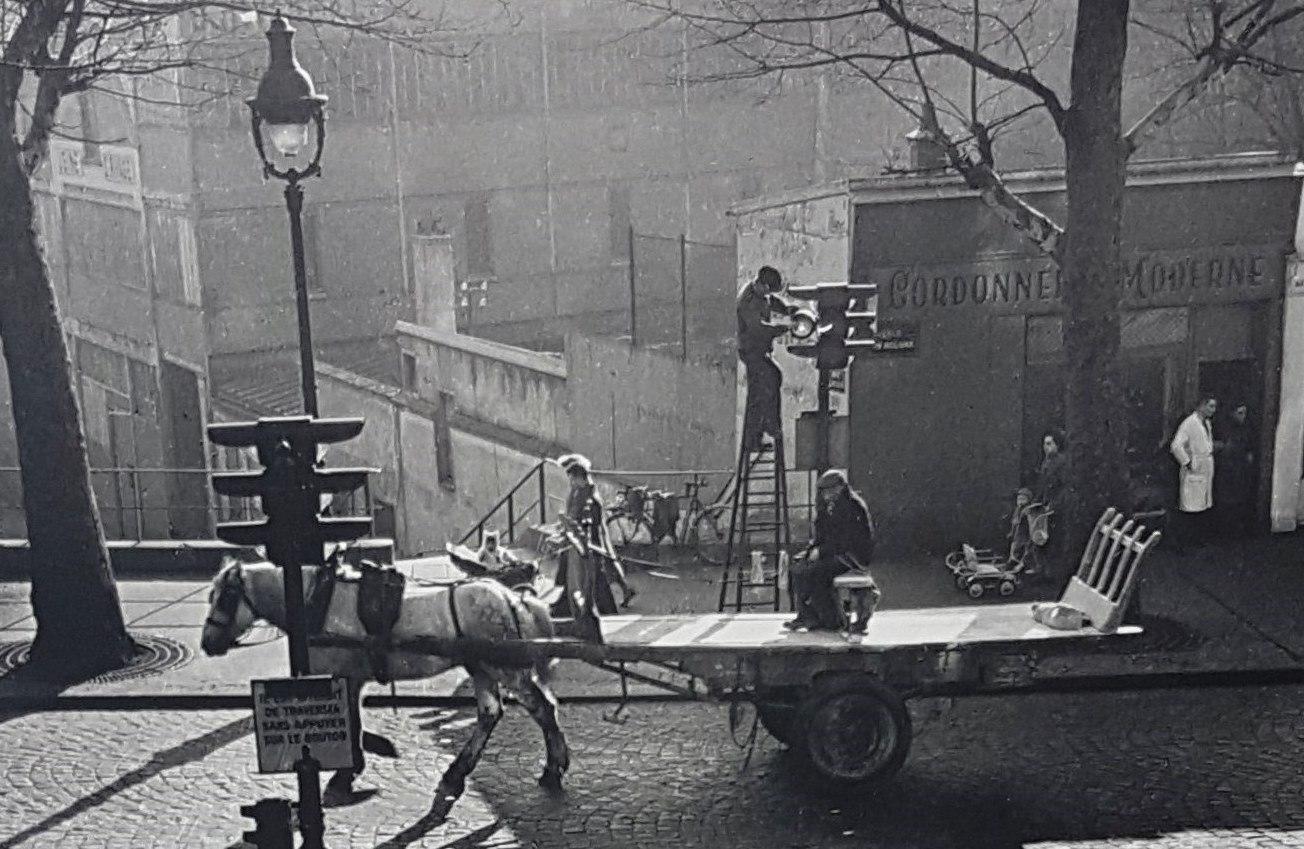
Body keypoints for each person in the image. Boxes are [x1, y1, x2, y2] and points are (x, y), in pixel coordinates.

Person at [786, 469, 876, 631]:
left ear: (841, 487)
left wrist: (821, 552)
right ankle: (806, 615)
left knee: (818, 571)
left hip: (852, 555)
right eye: (824, 490)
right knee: (797, 566)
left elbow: (847, 541)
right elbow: (821, 535)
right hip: (833, 551)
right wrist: (811, 550)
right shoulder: (826, 506)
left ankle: (832, 619)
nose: (826, 494)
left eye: (830, 490)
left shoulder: (853, 506)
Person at [549, 454, 634, 624]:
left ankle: (609, 610)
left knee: (597, 576)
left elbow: (587, 520)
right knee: (573, 571)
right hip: (579, 538)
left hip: (590, 539)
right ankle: (565, 604)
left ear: (580, 476)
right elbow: (571, 514)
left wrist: (570, 530)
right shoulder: (578, 491)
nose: (571, 482)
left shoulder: (589, 495)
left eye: (573, 478)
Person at [737, 266, 798, 451]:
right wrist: (781, 329)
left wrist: (788, 310)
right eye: (770, 289)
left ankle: (758, 434)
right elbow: (759, 329)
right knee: (771, 377)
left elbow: (773, 301)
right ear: (762, 285)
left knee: (764, 387)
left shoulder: (761, 293)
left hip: (759, 350)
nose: (770, 294)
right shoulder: (748, 302)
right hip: (751, 350)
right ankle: (770, 425)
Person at [1170, 396, 1218, 551]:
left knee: (1202, 507)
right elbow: (1176, 446)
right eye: (1210, 406)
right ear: (1201, 405)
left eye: (1214, 407)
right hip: (1194, 470)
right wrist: (1188, 462)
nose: (1213, 410)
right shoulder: (1190, 423)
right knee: (1189, 508)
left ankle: (1197, 541)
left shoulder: (1207, 424)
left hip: (1205, 468)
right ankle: (1184, 544)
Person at [1216, 402, 1255, 538]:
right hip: (1227, 469)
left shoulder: (1246, 430)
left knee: (1240, 497)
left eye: (1244, 413)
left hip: (1240, 468)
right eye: (1239, 413)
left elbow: (1248, 449)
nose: (1243, 416)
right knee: (1226, 498)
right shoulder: (1224, 429)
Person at [1034, 430, 1069, 581]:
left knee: (1055, 540)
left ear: (1057, 445)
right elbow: (1043, 485)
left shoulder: (1062, 462)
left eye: (1049, 444)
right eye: (1044, 444)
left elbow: (1064, 486)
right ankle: (1042, 570)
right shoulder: (1046, 462)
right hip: (1046, 505)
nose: (1046, 447)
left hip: (1057, 507)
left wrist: (1054, 505)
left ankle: (1053, 574)